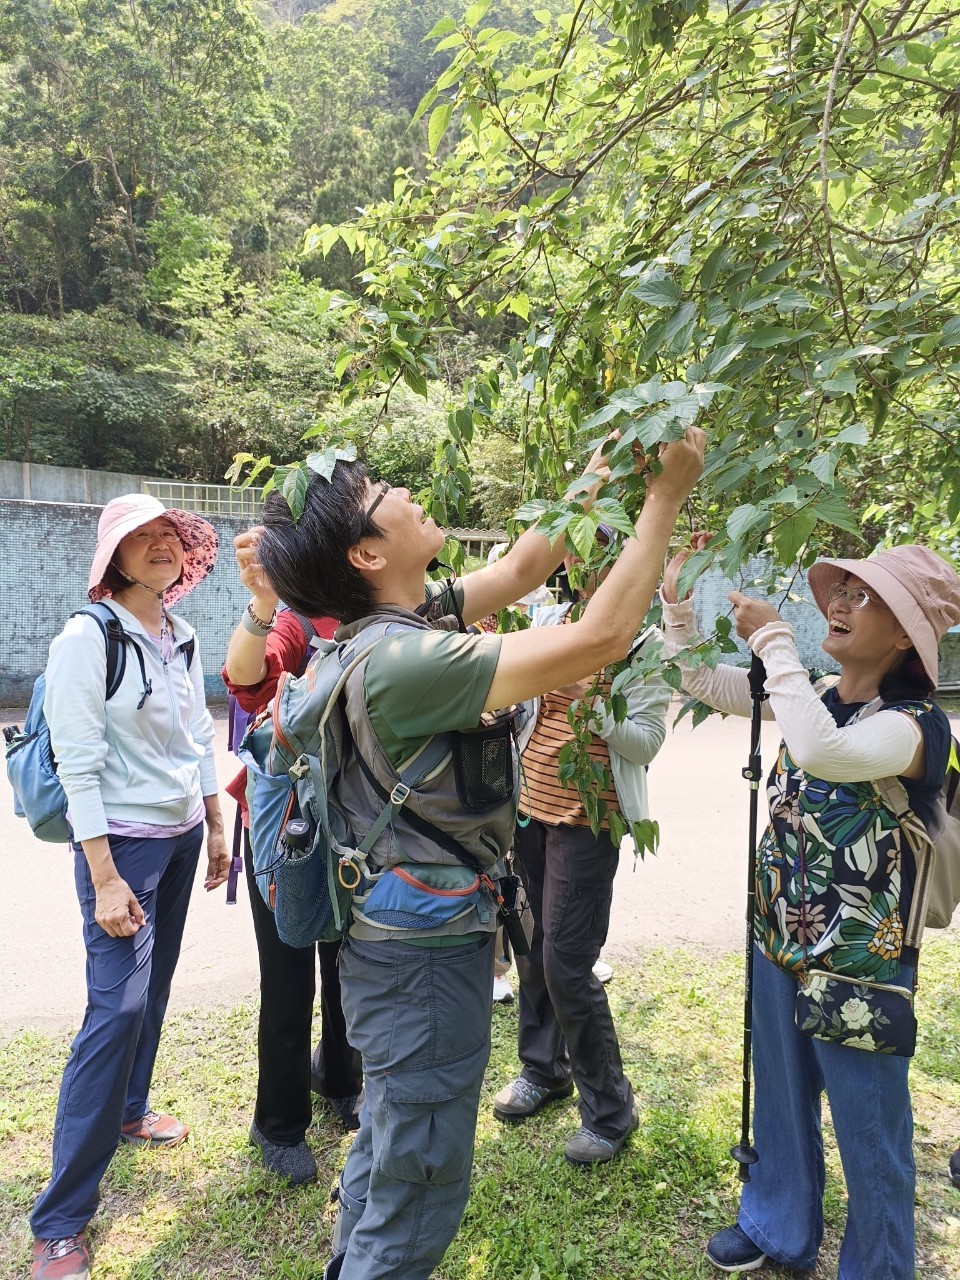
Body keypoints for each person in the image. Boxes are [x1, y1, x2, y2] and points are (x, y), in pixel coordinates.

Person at [251, 426, 706, 1279]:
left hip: (399, 940)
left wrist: (601, 469)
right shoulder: (405, 663)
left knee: (394, 1130)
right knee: (421, 1179)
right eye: (384, 493)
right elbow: (602, 636)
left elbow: (524, 567)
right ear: (365, 552)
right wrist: (666, 497)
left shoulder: (391, 626)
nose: (406, 490)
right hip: (419, 960)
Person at [660, 534, 960, 1278]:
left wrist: (772, 638)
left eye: (866, 598)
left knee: (870, 1130)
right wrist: (676, 597)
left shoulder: (915, 726)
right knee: (783, 1100)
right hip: (781, 942)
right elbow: (697, 678)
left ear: (903, 639)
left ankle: (880, 1268)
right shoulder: (814, 699)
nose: (840, 602)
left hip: (860, 962)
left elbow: (825, 752)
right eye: (842, 590)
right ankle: (775, 1225)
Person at [30, 495, 228, 1280]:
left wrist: (214, 826)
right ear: (113, 557)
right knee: (113, 1010)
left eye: (169, 537)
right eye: (139, 539)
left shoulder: (179, 634)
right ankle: (60, 1223)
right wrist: (106, 877)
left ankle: (130, 1110)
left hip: (180, 838)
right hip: (123, 852)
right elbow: (77, 762)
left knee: (153, 990)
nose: (158, 547)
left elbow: (198, 736)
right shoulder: (89, 637)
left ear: (186, 555)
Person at [493, 524, 670, 1164]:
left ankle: (610, 1111)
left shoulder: (643, 649)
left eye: (607, 563)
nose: (589, 574)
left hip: (589, 824)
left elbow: (646, 742)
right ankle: (544, 1069)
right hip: (530, 812)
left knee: (568, 962)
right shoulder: (553, 624)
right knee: (533, 947)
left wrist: (593, 702)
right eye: (584, 563)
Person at [221, 530, 364, 1186]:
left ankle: (338, 1079)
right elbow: (247, 679)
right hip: (285, 827)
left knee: (346, 964)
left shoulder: (375, 612)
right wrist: (261, 605)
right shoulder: (295, 616)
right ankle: (277, 1124)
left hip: (353, 825)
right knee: (288, 978)